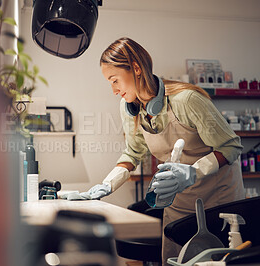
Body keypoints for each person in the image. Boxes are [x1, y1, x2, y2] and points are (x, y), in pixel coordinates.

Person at [69, 37, 245, 264]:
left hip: (218, 199)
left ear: (135, 68)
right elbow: (133, 153)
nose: (113, 90)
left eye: (115, 80)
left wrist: (193, 172)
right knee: (175, 259)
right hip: (179, 201)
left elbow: (231, 146)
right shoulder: (129, 108)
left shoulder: (186, 100)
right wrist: (107, 185)